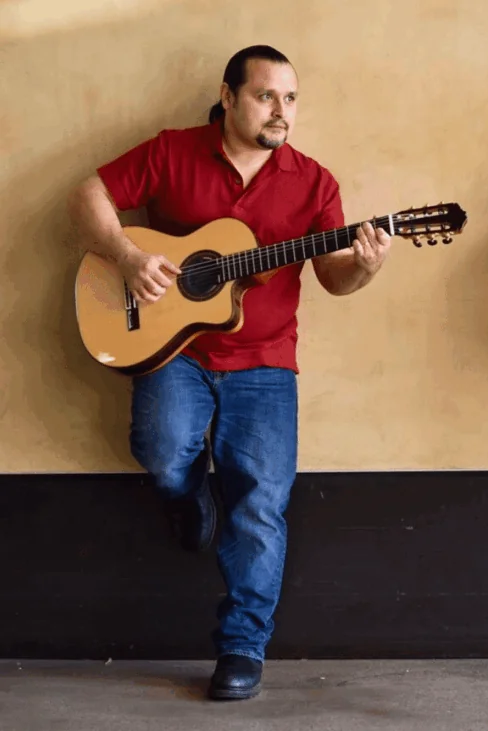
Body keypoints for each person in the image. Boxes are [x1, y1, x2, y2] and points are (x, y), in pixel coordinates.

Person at [66, 45, 392, 700]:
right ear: (228, 95)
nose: (282, 111)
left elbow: (333, 278)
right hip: (174, 351)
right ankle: (187, 497)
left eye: (291, 98)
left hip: (266, 360)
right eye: (267, 95)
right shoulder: (171, 152)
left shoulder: (313, 182)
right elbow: (90, 193)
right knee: (160, 452)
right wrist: (129, 256)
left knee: (262, 503)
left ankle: (243, 645)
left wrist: (365, 264)